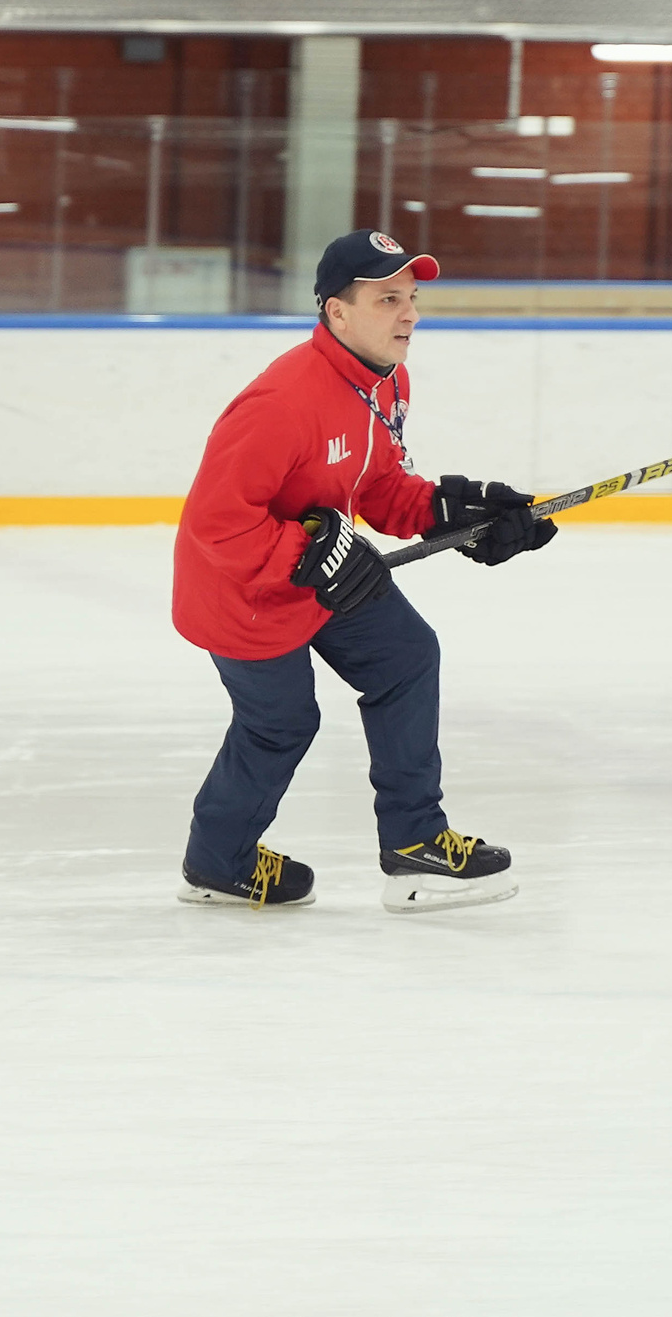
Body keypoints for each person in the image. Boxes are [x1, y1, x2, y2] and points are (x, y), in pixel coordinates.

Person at [169, 228, 557, 913]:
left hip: (325, 570)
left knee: (407, 656)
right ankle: (217, 863)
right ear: (337, 312)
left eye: (411, 298)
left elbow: (375, 485)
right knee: (282, 723)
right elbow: (217, 524)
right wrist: (307, 556)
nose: (409, 314)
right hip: (242, 591)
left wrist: (452, 512)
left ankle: (416, 844)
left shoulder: (385, 380)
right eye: (388, 300)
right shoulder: (280, 402)